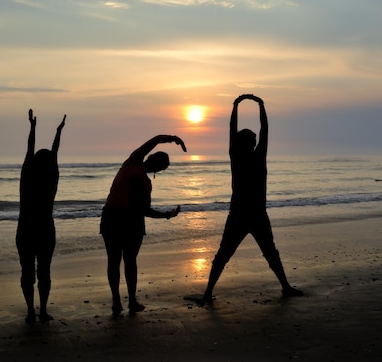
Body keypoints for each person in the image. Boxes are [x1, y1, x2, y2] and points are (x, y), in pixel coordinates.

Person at [201, 94, 302, 303]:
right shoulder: (255, 156)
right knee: (267, 253)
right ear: (252, 142)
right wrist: (259, 105)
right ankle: (285, 286)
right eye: (253, 140)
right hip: (251, 214)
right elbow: (264, 129)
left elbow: (236, 129)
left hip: (244, 214)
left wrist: (237, 105)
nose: (256, 142)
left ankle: (209, 292)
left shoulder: (238, 156)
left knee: (227, 254)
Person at [101, 135, 187, 316]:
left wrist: (167, 215)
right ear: (155, 163)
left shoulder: (134, 167)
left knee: (119, 261)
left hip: (120, 219)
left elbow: (144, 210)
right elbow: (153, 141)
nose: (159, 170)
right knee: (124, 261)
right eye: (161, 167)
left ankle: (124, 301)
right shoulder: (134, 165)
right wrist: (172, 138)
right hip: (120, 219)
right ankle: (124, 301)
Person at [16, 109, 66, 324]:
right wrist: (58, 132)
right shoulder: (51, 180)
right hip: (45, 228)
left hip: (26, 229)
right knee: (44, 271)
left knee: (27, 271)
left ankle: (30, 311)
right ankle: (43, 311)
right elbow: (54, 153)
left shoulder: (27, 177)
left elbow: (30, 150)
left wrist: (33, 127)